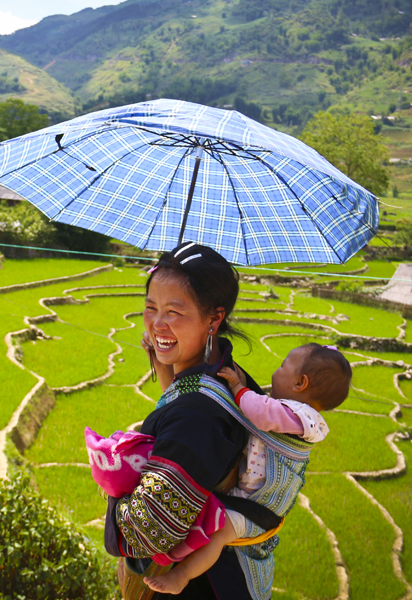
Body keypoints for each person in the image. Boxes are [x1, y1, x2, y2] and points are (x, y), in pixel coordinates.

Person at [104, 241, 275, 600]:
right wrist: (167, 370)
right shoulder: (227, 373)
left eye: (175, 312)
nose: (157, 324)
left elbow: (148, 531)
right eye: (151, 308)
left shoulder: (197, 415)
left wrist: (116, 469)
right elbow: (184, 405)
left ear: (214, 318)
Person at [143, 343, 352, 595]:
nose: (277, 369)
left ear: (301, 383)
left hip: (258, 507)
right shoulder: (299, 416)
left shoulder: (297, 416)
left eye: (283, 365)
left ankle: (182, 575)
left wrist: (238, 388)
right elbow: (262, 405)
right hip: (257, 500)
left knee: (218, 535)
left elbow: (260, 413)